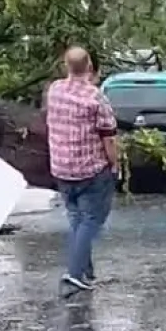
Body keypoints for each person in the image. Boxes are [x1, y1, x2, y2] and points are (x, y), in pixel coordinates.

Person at [46, 46, 118, 293]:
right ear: (89, 67)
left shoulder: (54, 90)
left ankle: (86, 271)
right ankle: (74, 273)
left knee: (76, 218)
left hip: (61, 168)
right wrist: (115, 164)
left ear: (66, 66)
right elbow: (108, 138)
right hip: (91, 171)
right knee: (91, 219)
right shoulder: (96, 98)